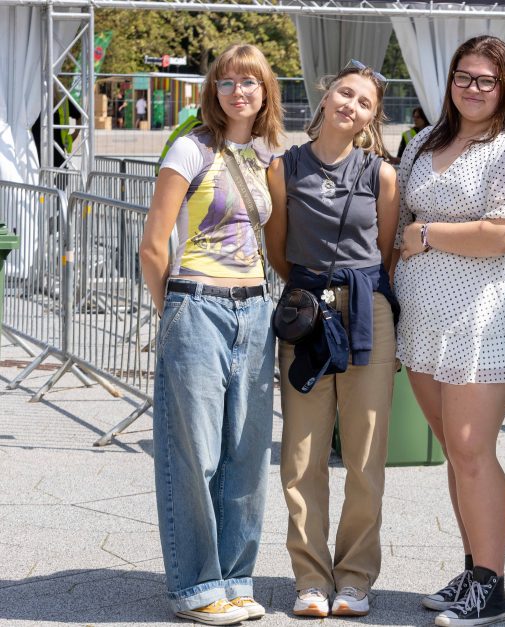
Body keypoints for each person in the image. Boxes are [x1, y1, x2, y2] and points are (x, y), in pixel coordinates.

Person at [394, 35, 505, 627]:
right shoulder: (424, 143)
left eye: (486, 79)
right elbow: (400, 221)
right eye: (464, 76)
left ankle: (492, 585)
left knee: (470, 447)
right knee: (454, 454)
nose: (473, 88)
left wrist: (429, 236)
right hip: (423, 320)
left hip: (483, 320)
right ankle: (472, 569)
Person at [139, 43, 283, 626]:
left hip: (256, 310)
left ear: (266, 92)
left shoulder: (269, 155)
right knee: (193, 453)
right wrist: (173, 310)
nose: (238, 92)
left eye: (250, 83)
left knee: (247, 456)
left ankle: (236, 578)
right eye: (227, 82)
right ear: (213, 90)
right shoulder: (190, 148)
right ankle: (196, 587)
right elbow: (154, 246)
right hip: (197, 305)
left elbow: (277, 247)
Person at [265, 60, 399, 619]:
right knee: (301, 454)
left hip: (367, 310)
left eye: (364, 102)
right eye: (346, 93)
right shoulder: (283, 166)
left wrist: (354, 293)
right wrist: (310, 292)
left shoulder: (381, 174)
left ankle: (356, 577)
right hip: (306, 309)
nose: (351, 105)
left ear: (371, 118)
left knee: (366, 455)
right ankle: (311, 579)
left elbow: (386, 249)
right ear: (326, 97)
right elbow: (279, 248)